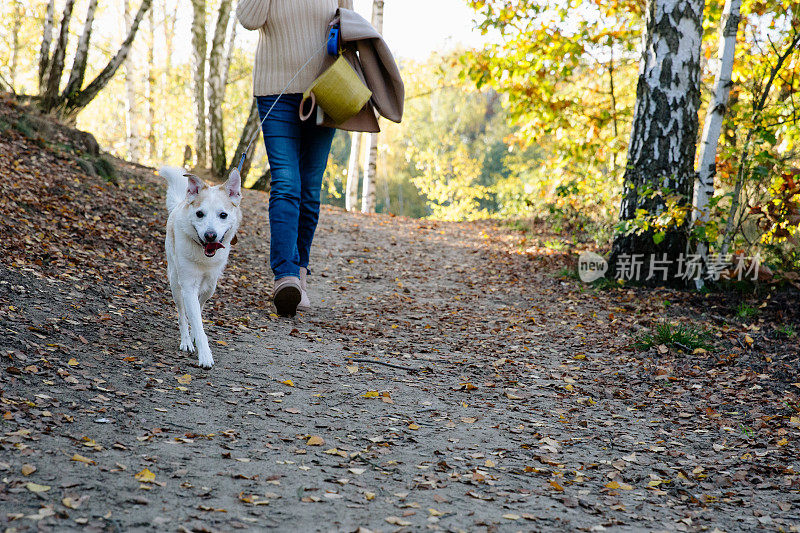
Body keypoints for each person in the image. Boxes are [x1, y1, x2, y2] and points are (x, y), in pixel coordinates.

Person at [237, 0, 353, 317]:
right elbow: (247, 18)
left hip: (327, 91)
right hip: (275, 90)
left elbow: (349, 23)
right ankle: (285, 276)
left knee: (310, 188)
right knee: (287, 182)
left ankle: (301, 271)